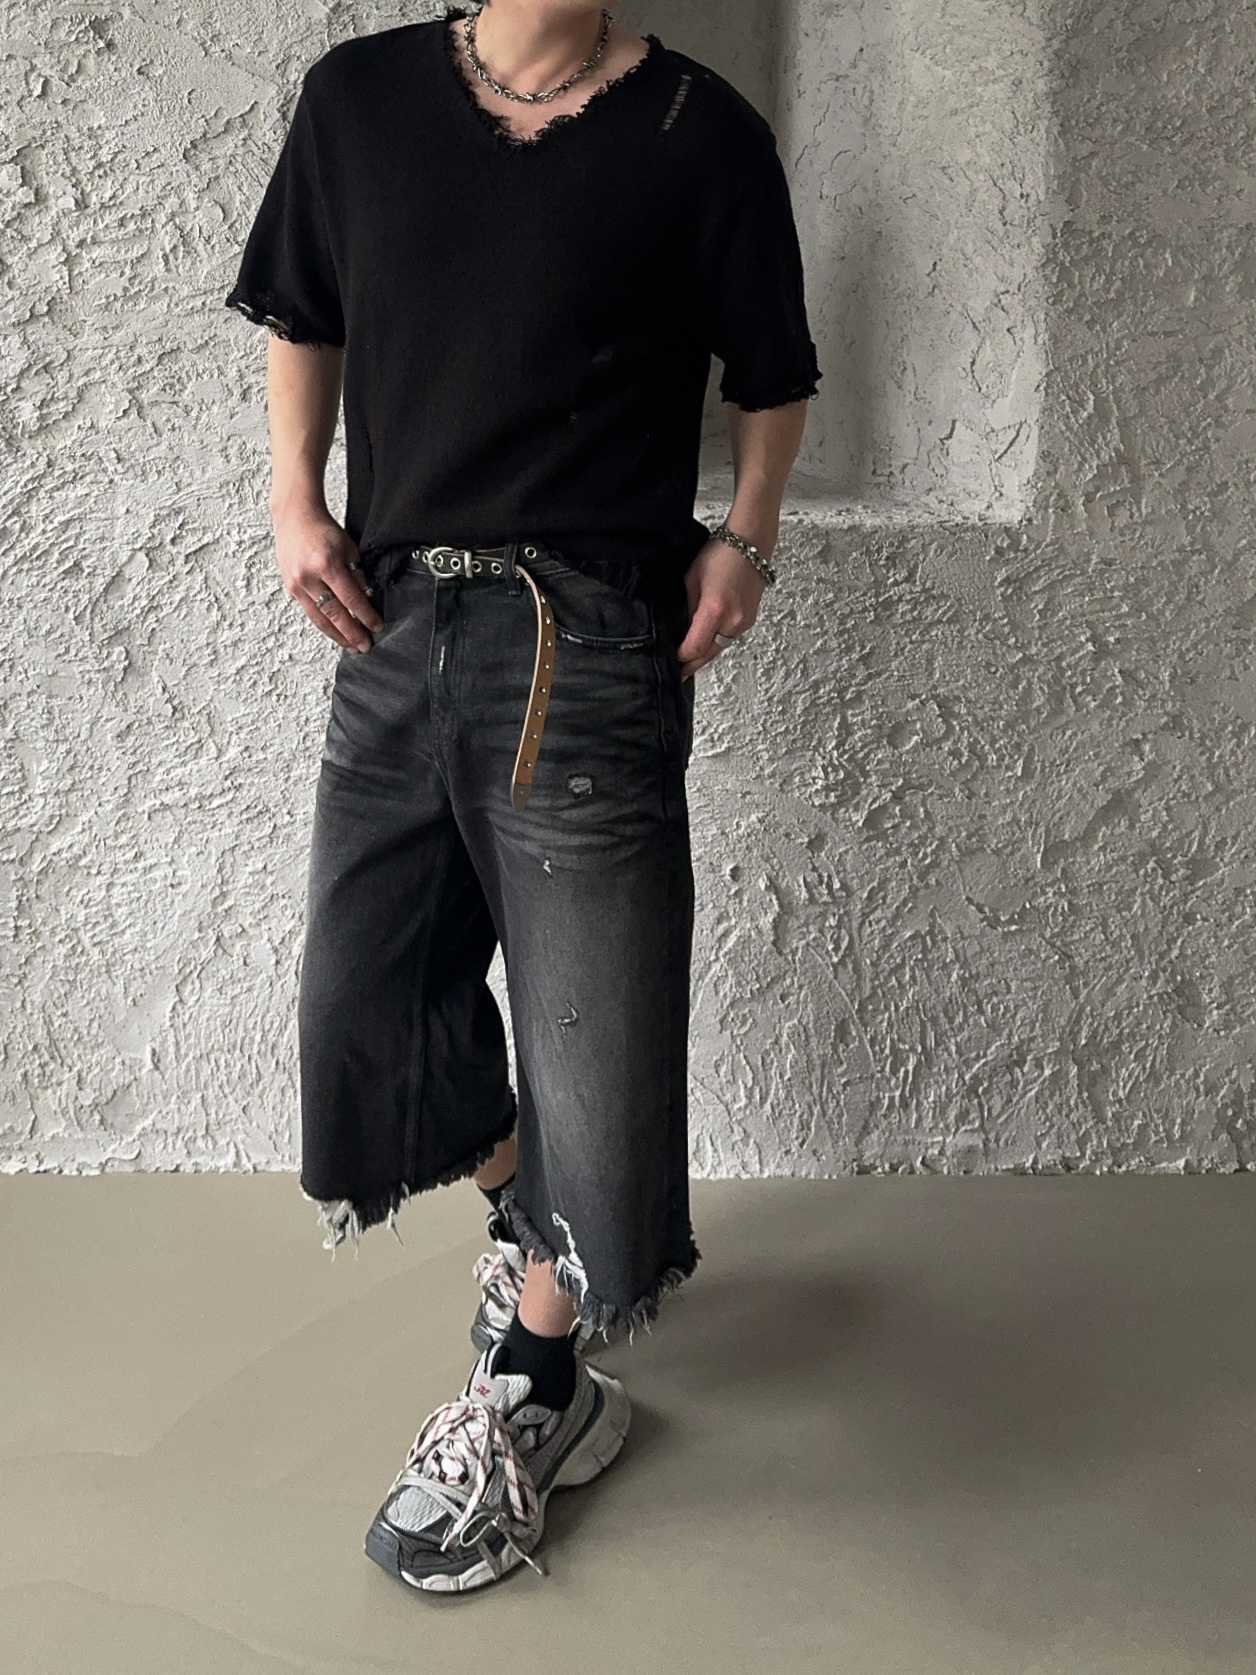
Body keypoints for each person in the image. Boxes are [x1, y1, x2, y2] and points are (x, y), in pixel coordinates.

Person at [225, 0, 820, 1593]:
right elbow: (304, 308)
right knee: (367, 1000)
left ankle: (543, 1383)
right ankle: (532, 1212)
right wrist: (292, 497)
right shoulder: (361, 100)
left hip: (591, 636)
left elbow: (774, 371)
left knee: (591, 1035)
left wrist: (747, 539)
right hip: (393, 617)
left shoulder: (702, 136)